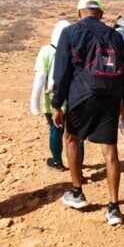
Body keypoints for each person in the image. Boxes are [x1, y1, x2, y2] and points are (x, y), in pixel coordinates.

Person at [51, 0, 124, 226]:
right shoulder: (115, 35)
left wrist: (57, 104)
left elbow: (61, 72)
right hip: (110, 98)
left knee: (71, 138)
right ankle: (114, 207)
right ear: (102, 14)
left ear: (79, 13)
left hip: (81, 97)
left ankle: (77, 192)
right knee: (111, 152)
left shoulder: (70, 33)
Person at [30, 20, 83, 171]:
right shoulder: (77, 48)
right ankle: (77, 166)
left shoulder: (46, 51)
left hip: (53, 99)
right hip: (75, 98)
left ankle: (56, 161)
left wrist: (34, 103)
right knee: (76, 135)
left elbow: (40, 77)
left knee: (55, 129)